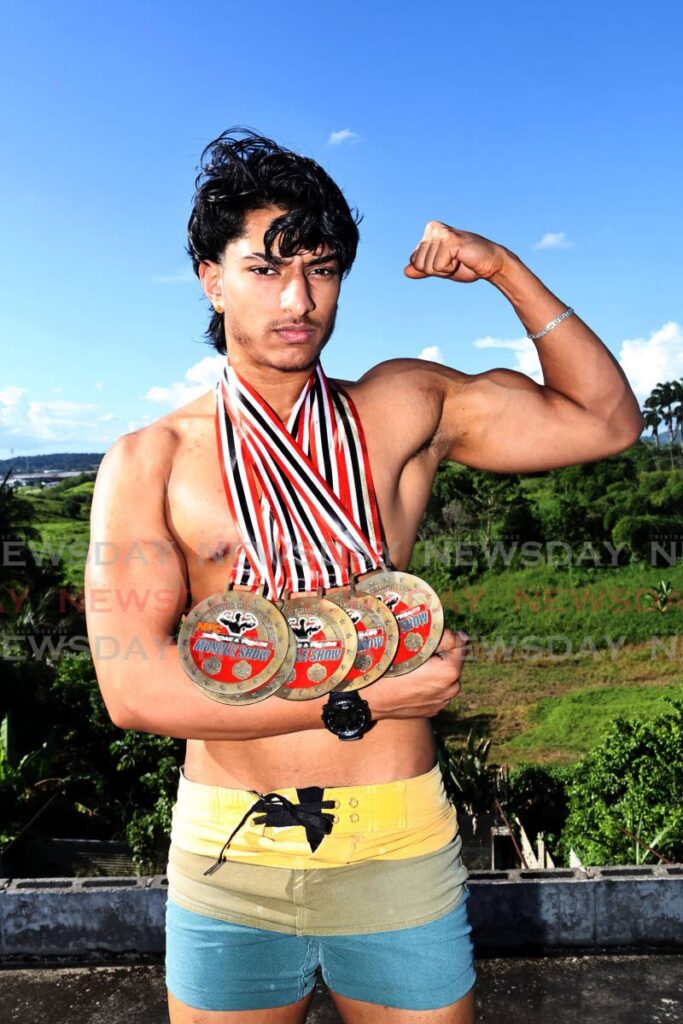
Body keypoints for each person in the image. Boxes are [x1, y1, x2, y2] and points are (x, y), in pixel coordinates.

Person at [84, 128, 644, 1024]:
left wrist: (502, 268)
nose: (298, 298)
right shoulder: (150, 459)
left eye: (322, 268)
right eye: (265, 269)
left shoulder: (402, 406)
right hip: (230, 854)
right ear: (211, 279)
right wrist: (363, 700)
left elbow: (605, 421)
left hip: (398, 844)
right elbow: (134, 691)